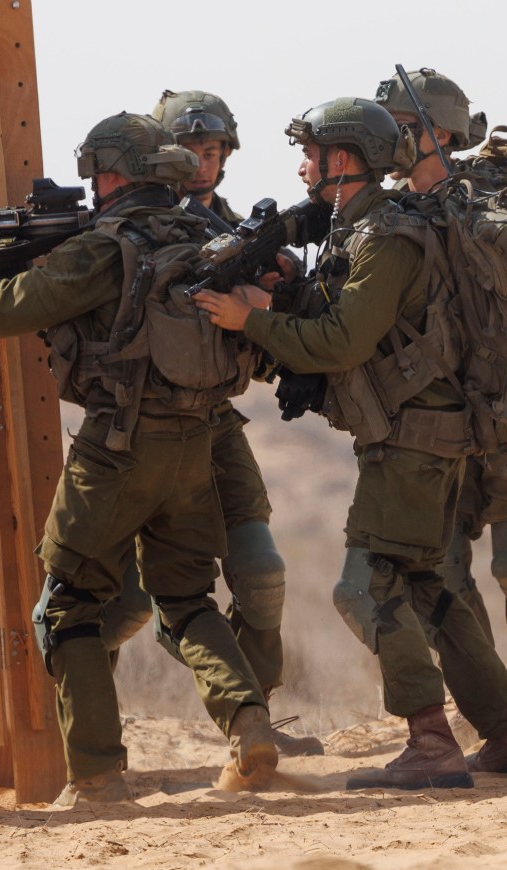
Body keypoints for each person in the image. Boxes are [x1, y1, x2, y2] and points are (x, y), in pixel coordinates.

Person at [193, 96, 507, 789]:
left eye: (311, 153)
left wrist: (251, 321)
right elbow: (352, 316)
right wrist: (287, 295)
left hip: (414, 443)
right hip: (421, 437)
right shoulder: (364, 230)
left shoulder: (388, 238)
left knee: (367, 586)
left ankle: (430, 741)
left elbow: (341, 342)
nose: (302, 165)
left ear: (341, 161)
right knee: (428, 587)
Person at [0, 111, 278, 805]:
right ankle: (249, 720)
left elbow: (3, 308)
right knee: (186, 600)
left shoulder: (104, 248)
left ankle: (98, 777)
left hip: (115, 451)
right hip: (196, 445)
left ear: (111, 173)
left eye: (97, 173)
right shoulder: (203, 233)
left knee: (68, 608)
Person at [99, 90, 324, 757]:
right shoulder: (130, 222)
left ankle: (253, 723)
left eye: (212, 150)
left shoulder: (236, 228)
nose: (200, 163)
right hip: (138, 428)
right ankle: (78, 723)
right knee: (129, 604)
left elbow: (274, 328)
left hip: (214, 423)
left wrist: (271, 292)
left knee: (261, 573)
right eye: (189, 150)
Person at [374, 67, 507, 735]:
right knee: (447, 576)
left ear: (440, 134)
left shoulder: (500, 206)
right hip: (435, 418)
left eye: (402, 130)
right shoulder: (386, 216)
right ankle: (499, 703)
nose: (391, 142)